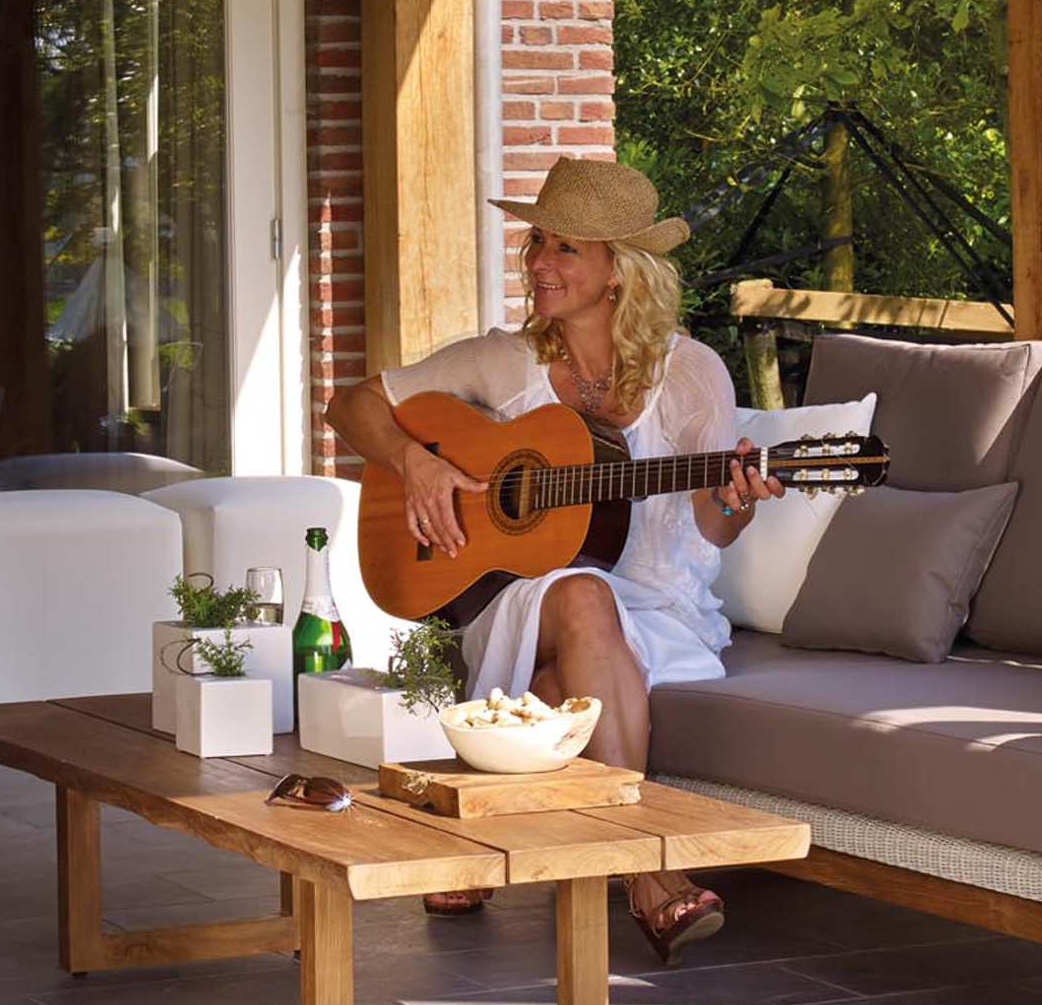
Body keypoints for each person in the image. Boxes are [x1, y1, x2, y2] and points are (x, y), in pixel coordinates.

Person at [325, 156, 784, 962]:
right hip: (521, 601)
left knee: (555, 679)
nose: (537, 262)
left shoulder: (692, 375)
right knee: (576, 590)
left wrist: (736, 498)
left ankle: (487, 830)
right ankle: (646, 869)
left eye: (564, 247)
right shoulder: (502, 361)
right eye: (536, 240)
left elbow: (711, 529)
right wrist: (415, 462)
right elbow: (351, 402)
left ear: (619, 271)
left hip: (658, 610)